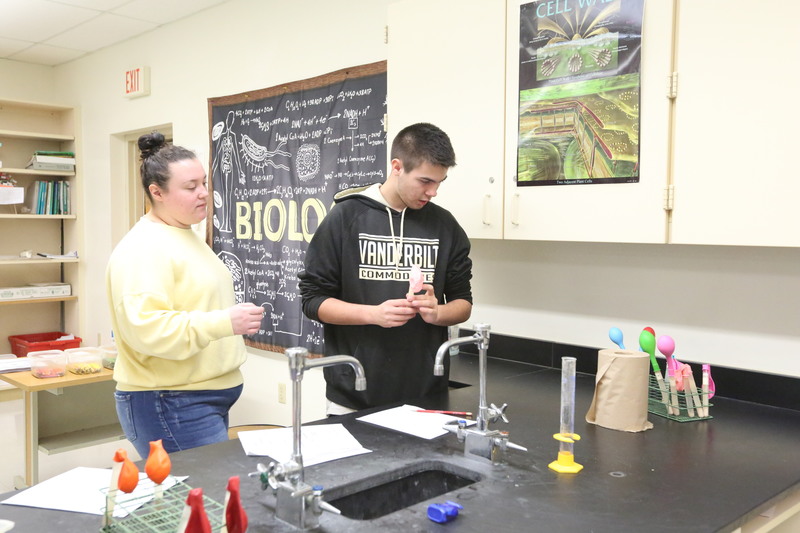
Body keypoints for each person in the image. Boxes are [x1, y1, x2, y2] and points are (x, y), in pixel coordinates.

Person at [106, 132, 264, 457]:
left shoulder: (184, 235)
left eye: (204, 183)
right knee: (209, 488)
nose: (204, 193)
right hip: (170, 400)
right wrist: (224, 322)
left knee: (208, 488)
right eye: (191, 187)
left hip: (199, 396)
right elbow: (147, 329)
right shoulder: (143, 248)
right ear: (157, 192)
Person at [298, 122, 473, 414]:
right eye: (425, 181)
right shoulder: (345, 217)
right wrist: (373, 314)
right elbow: (312, 301)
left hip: (426, 395)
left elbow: (463, 304)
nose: (432, 192)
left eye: (439, 182)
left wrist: (437, 313)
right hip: (354, 392)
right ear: (397, 167)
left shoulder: (445, 226)